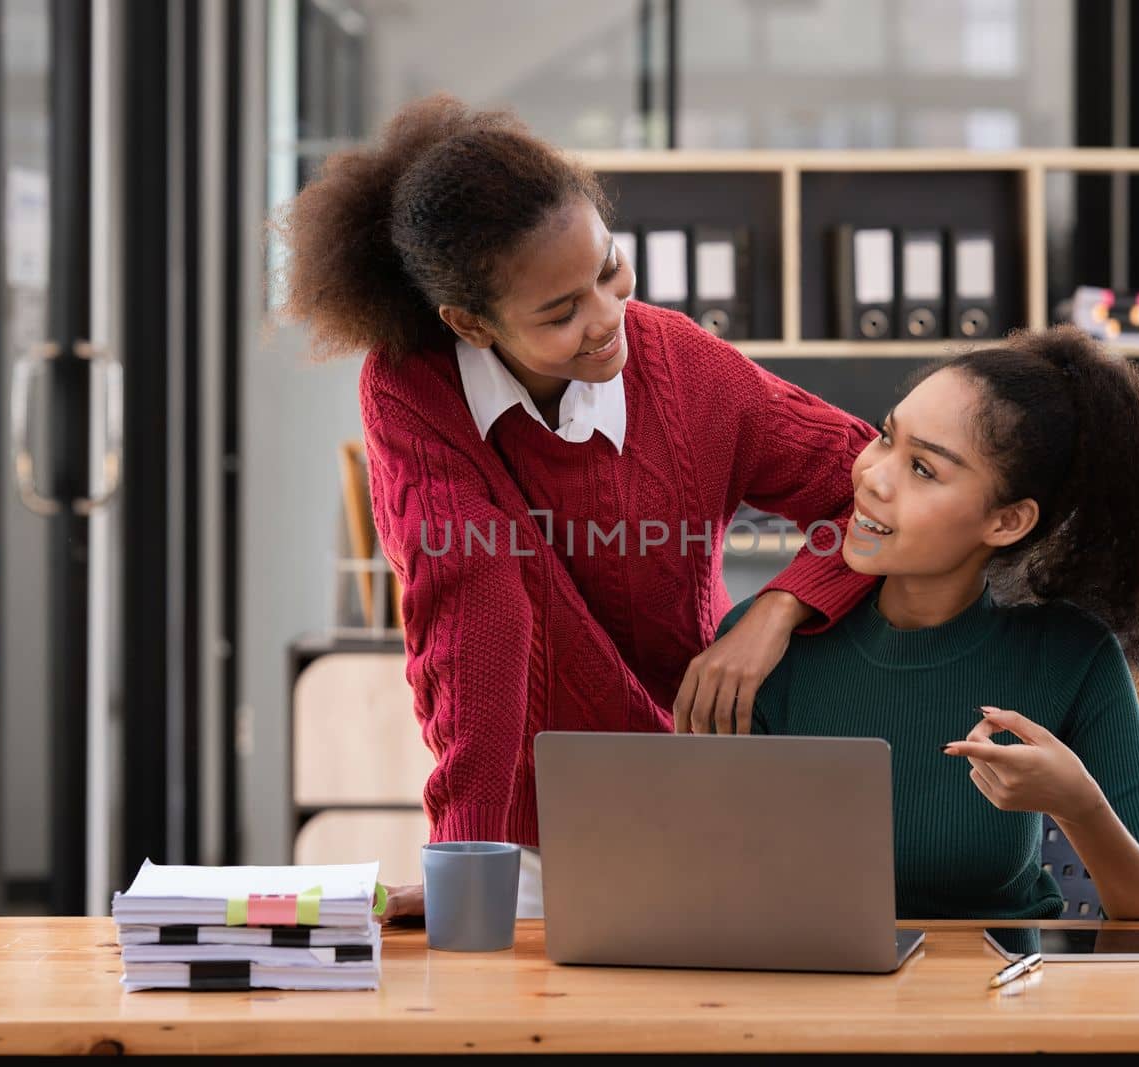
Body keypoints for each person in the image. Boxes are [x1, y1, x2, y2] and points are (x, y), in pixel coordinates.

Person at [274, 94, 877, 919]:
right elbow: (474, 614)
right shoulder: (415, 391)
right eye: (560, 312)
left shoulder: (687, 368)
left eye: (607, 270)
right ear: (468, 323)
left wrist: (777, 611)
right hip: (532, 834)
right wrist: (464, 866)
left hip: (708, 785)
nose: (606, 320)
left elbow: (878, 489)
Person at [715, 327, 1139, 920]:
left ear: (1007, 521)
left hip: (993, 1007)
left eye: (922, 469)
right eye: (886, 437)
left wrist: (1079, 807)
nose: (871, 476)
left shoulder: (1070, 657)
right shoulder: (765, 647)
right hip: (806, 1003)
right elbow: (712, 885)